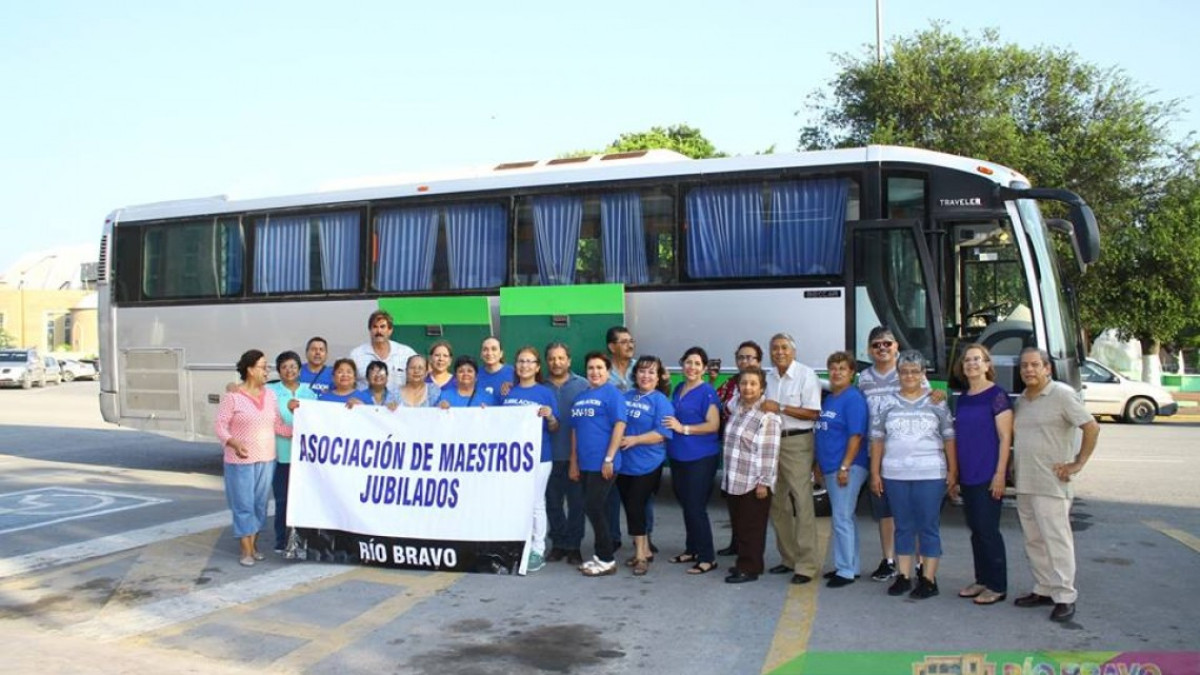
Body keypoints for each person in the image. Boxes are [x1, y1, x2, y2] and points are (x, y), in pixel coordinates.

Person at [1012, 347, 1100, 623]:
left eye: (1034, 365)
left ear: (1047, 368)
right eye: (1024, 366)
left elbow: (1091, 427)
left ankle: (1065, 595)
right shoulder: (1023, 400)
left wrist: (1078, 462)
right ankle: (1044, 589)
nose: (1028, 370)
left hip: (1051, 483)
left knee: (1057, 540)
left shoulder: (1061, 394)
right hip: (1025, 482)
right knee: (1034, 540)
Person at [869, 350, 957, 600]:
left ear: (923, 374)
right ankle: (904, 575)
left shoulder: (936, 402)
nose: (909, 376)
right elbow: (877, 439)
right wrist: (875, 473)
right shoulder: (886, 404)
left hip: (930, 473)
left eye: (914, 371)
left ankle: (928, 579)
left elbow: (949, 437)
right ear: (898, 374)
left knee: (928, 526)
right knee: (903, 526)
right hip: (895, 474)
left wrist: (953, 470)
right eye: (904, 371)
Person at [857, 326, 939, 582]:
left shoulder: (908, 371)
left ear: (896, 348)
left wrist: (940, 394)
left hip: (909, 453)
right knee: (886, 511)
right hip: (877, 451)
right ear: (870, 350)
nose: (882, 348)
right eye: (876, 344)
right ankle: (889, 560)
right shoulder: (864, 378)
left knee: (913, 511)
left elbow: (930, 400)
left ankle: (919, 563)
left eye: (887, 344)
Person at [214, 349, 290, 567]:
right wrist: (233, 442)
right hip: (240, 461)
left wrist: (300, 427)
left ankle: (254, 546)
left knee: (259, 505)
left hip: (266, 458)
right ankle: (246, 550)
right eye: (263, 366)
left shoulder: (270, 396)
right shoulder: (233, 397)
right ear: (250, 370)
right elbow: (220, 426)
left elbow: (277, 425)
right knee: (243, 504)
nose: (267, 371)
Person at [952, 343, 1013, 606]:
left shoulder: (997, 395)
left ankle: (997, 585)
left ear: (987, 365)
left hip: (988, 472)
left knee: (988, 530)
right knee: (976, 529)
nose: (971, 364)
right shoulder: (963, 397)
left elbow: (1005, 437)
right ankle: (982, 579)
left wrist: (1000, 474)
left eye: (977, 359)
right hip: (967, 472)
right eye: (967, 360)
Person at [762, 333, 822, 584]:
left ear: (794, 352)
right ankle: (789, 558)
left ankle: (806, 566)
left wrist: (782, 408)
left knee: (802, 501)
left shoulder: (806, 375)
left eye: (784, 348)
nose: (779, 352)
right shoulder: (769, 377)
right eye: (775, 348)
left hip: (797, 442)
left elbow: (813, 413)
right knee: (777, 504)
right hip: (772, 440)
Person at [568, 351, 628, 577]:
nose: (595, 372)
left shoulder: (613, 394)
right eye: (591, 368)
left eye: (600, 368)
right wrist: (573, 461)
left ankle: (606, 559)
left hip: (604, 463)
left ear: (608, 371)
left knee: (593, 507)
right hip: (585, 464)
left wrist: (609, 458)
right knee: (594, 508)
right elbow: (575, 430)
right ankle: (599, 555)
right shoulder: (580, 397)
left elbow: (619, 426)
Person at [663, 346, 722, 575]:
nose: (692, 367)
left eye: (697, 364)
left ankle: (708, 557)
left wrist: (683, 428)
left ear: (704, 369)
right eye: (688, 362)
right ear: (682, 364)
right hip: (678, 456)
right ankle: (692, 549)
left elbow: (713, 425)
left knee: (696, 507)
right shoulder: (678, 388)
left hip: (701, 457)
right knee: (686, 504)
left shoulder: (707, 392)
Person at [721, 366, 781, 583]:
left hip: (753, 481)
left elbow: (769, 451)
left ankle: (750, 568)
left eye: (753, 384)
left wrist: (763, 482)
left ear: (762, 387)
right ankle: (742, 563)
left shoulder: (768, 417)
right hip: (734, 478)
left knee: (752, 528)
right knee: (739, 525)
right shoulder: (737, 407)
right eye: (744, 383)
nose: (748, 388)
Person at [815, 351, 870, 588]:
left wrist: (845, 466)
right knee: (846, 517)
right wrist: (818, 465)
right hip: (830, 467)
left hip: (848, 466)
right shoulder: (830, 399)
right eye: (833, 368)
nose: (837, 372)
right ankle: (850, 565)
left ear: (852, 374)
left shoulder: (853, 398)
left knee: (841, 518)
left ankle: (845, 570)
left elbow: (856, 435)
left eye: (842, 369)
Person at [502, 346, 559, 572]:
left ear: (537, 367)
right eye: (521, 361)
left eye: (529, 362)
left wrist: (550, 416)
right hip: (513, 458)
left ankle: (537, 548)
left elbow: (555, 427)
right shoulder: (509, 392)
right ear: (516, 366)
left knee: (536, 503)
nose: (524, 365)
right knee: (516, 502)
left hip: (540, 457)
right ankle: (519, 543)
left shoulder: (545, 393)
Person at [618, 355, 674, 576]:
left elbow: (663, 434)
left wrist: (635, 440)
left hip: (648, 463)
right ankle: (646, 549)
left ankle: (641, 556)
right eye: (642, 371)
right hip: (624, 464)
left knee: (636, 506)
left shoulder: (661, 401)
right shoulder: (626, 396)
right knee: (630, 507)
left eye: (651, 372)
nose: (646, 376)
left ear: (658, 377)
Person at [265, 350, 318, 556]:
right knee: (283, 500)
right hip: (282, 455)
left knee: (306, 499)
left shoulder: (309, 392)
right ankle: (281, 540)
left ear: (299, 369)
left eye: (293, 367)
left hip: (305, 457)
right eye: (285, 367)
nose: (289, 370)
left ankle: (305, 539)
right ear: (279, 370)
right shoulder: (271, 392)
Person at [543, 342, 589, 567]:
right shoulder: (541, 386)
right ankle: (558, 544)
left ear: (569, 361)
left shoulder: (583, 385)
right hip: (548, 455)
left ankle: (574, 547)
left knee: (576, 504)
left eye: (561, 358)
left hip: (576, 457)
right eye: (552, 358)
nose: (556, 362)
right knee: (552, 503)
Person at [716, 340, 763, 557]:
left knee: (750, 509)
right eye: (741, 357)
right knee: (734, 504)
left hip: (751, 455)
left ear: (759, 361)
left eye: (750, 357)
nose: (745, 361)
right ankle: (735, 543)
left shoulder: (763, 386)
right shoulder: (728, 384)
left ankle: (748, 556)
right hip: (731, 451)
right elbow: (719, 406)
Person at [349, 310, 416, 394]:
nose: (379, 331)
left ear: (390, 330)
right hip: (366, 405)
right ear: (370, 330)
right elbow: (348, 385)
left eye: (382, 327)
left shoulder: (406, 353)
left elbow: (421, 376)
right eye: (375, 327)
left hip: (398, 405)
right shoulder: (356, 355)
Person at [477, 336, 515, 401]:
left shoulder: (514, 373)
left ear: (501, 354)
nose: (489, 353)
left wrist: (514, 386)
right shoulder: (474, 375)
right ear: (481, 354)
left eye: (494, 349)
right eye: (485, 349)